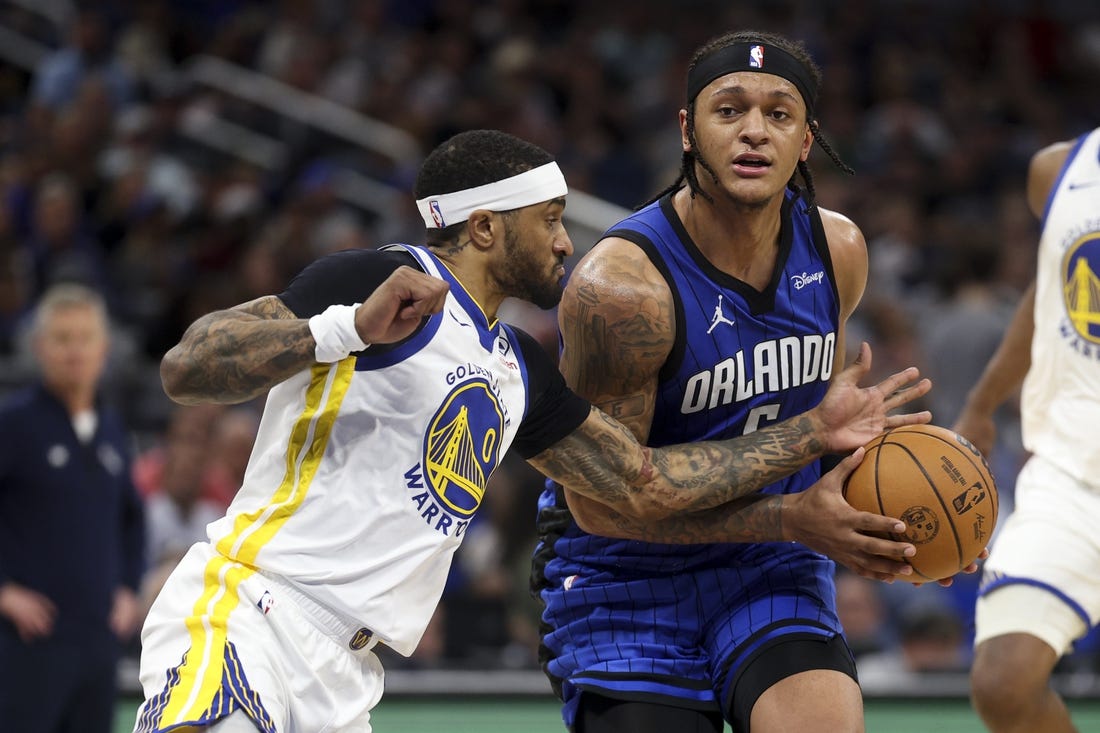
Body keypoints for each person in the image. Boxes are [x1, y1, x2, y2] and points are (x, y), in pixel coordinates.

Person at [133, 129, 929, 733]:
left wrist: (808, 436)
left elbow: (641, 483)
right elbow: (189, 364)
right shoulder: (383, 278)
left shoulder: (517, 367)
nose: (565, 241)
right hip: (252, 615)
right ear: (484, 228)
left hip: (346, 672)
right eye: (547, 220)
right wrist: (340, 329)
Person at [532, 30, 951, 733]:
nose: (755, 130)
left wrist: (915, 525)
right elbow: (605, 503)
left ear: (807, 140)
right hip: (624, 574)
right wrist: (795, 500)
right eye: (729, 110)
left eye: (779, 113)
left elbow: (824, 428)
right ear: (689, 130)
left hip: (771, 568)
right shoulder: (622, 288)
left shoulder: (837, 249)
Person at [955, 127, 1100, 733]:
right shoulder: (1059, 170)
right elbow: (1050, 290)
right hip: (1070, 474)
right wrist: (982, 404)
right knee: (1003, 682)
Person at [0, 282, 145, 733]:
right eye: (62, 339)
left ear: (104, 348)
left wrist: (127, 587)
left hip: (97, 641)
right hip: (27, 644)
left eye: (84, 338)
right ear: (40, 347)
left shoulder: (112, 427)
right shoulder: (13, 423)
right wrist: (3, 591)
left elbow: (130, 518)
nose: (74, 351)